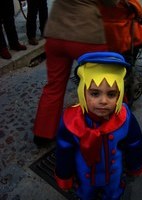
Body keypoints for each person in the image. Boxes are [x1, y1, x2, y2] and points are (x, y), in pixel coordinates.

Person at [55, 51, 142, 200]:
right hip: (84, 175)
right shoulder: (70, 121)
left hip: (114, 175)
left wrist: (134, 165)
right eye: (95, 93)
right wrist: (65, 175)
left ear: (119, 94)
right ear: (83, 92)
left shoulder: (125, 117)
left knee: (112, 195)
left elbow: (134, 143)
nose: (103, 101)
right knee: (86, 195)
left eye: (111, 94)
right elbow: (64, 152)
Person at [33, 0, 120, 146]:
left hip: (57, 32)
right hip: (87, 34)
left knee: (54, 86)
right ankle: (105, 130)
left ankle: (42, 134)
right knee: (102, 84)